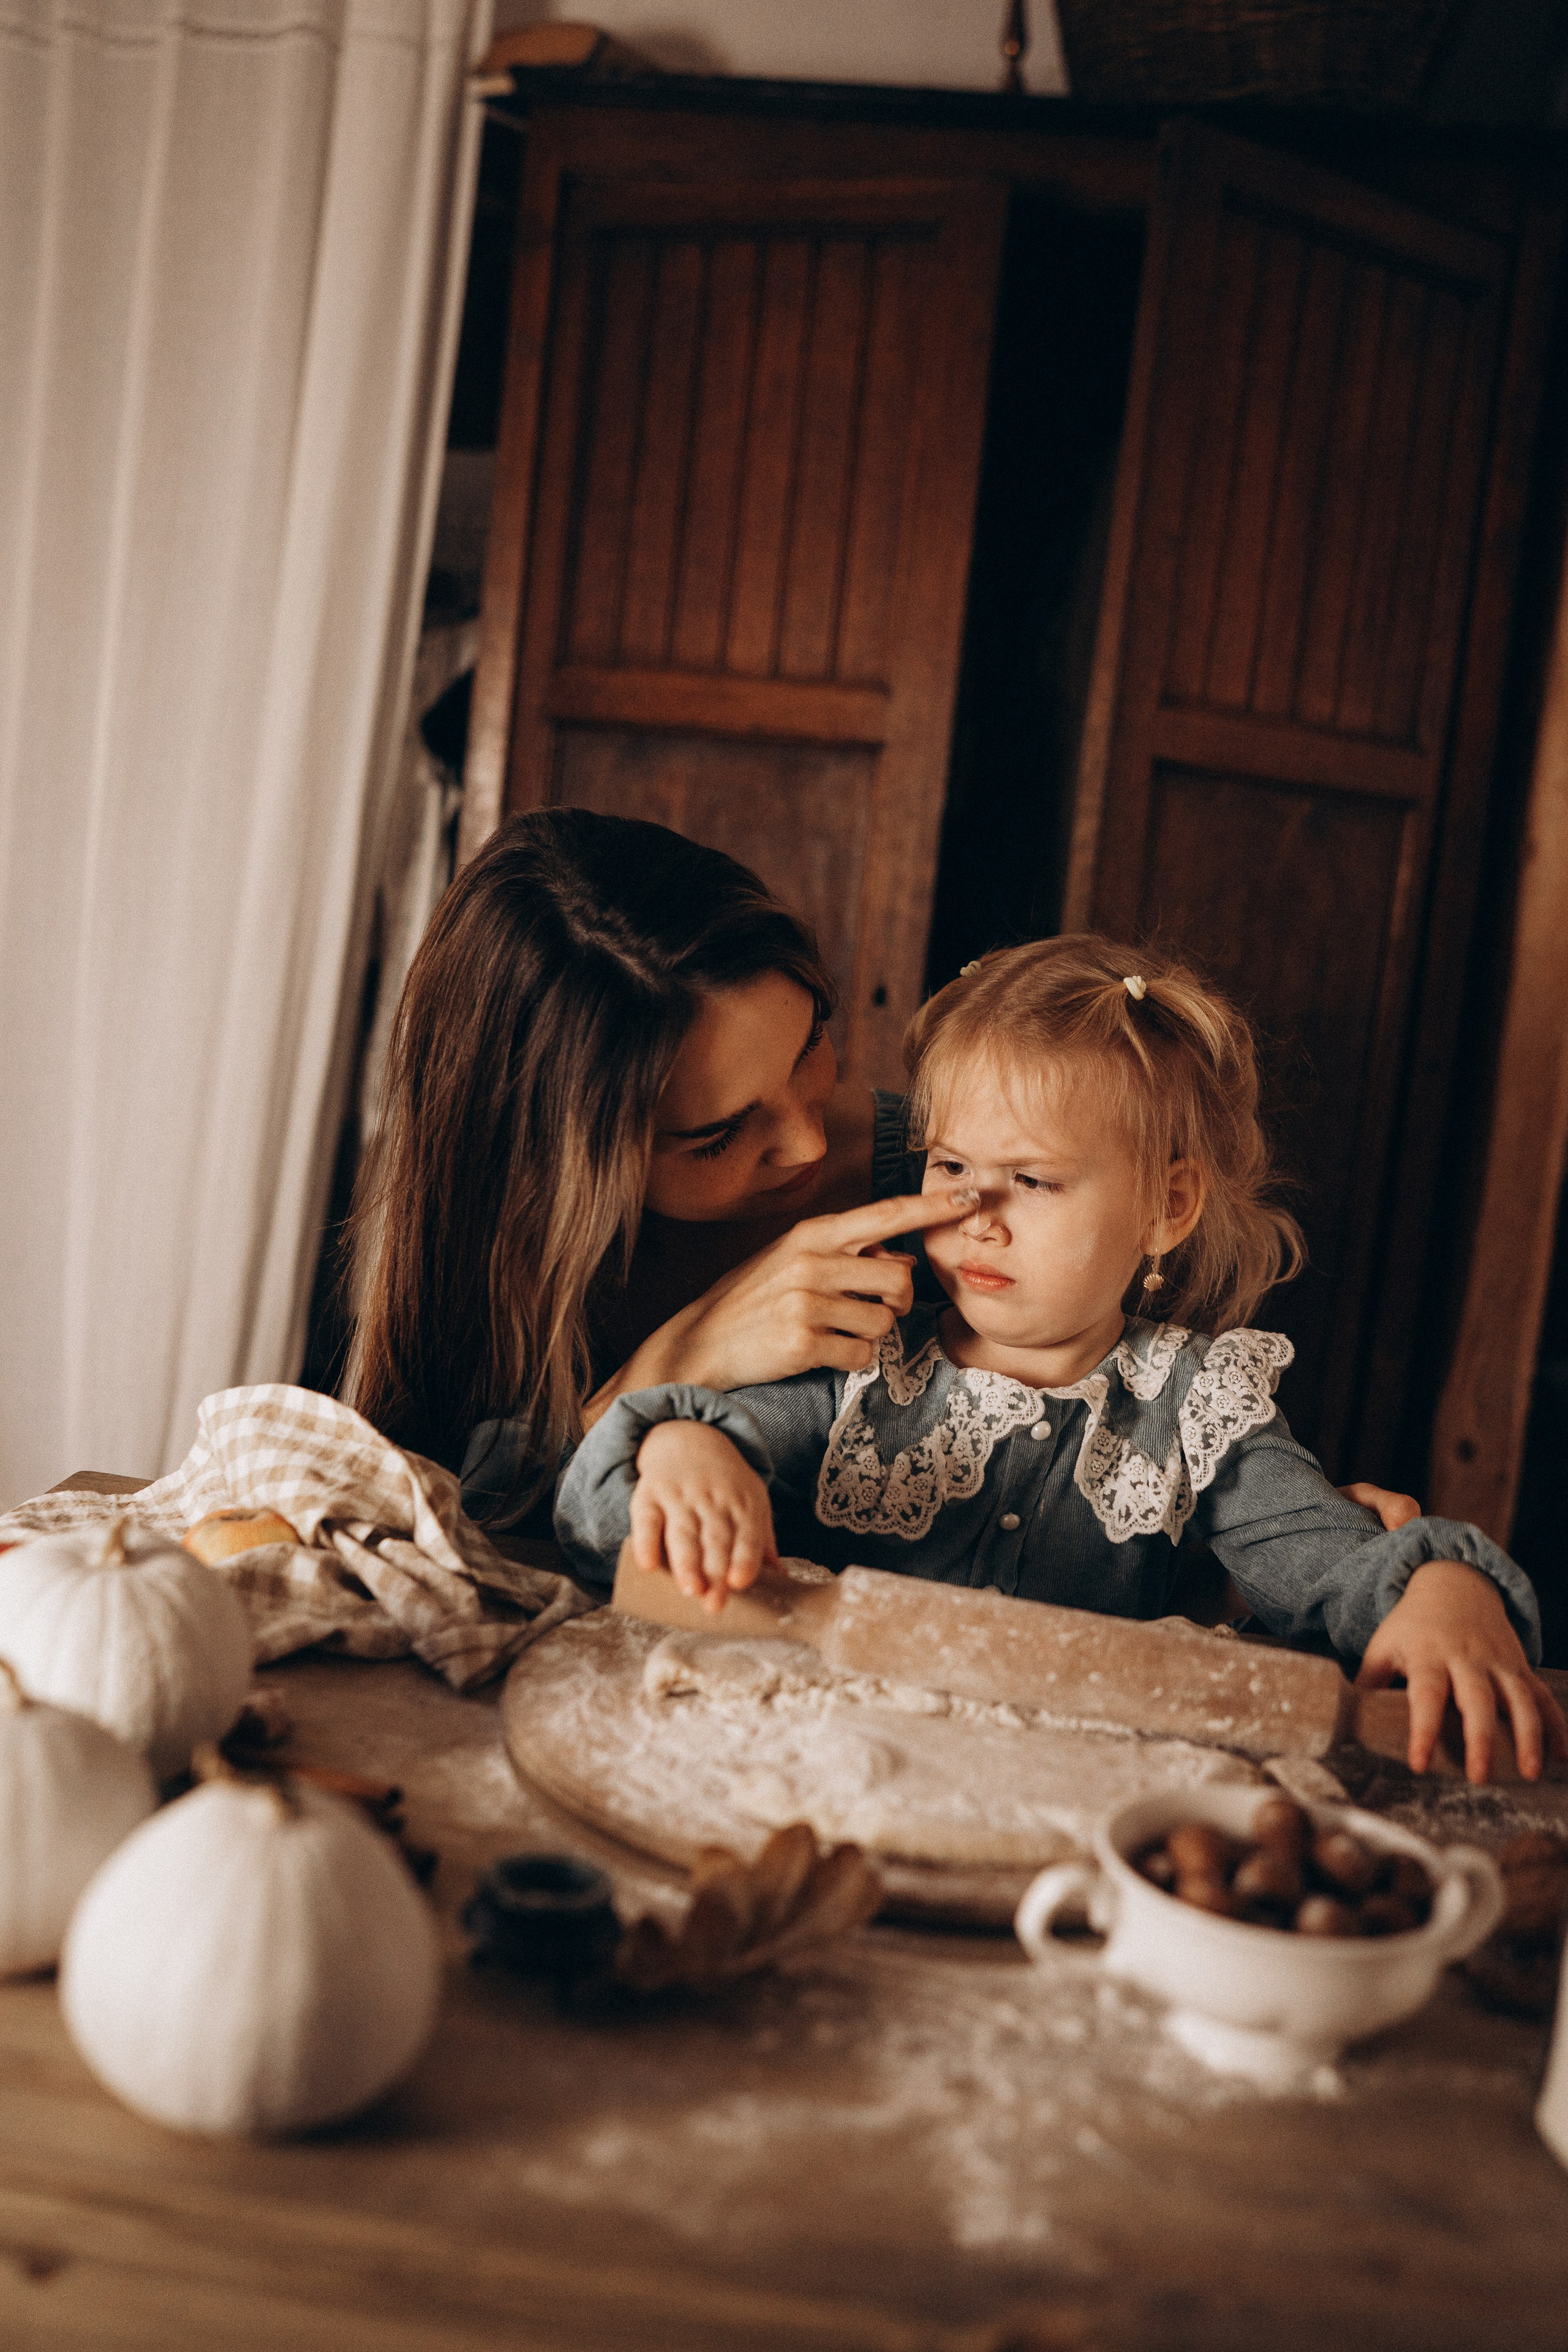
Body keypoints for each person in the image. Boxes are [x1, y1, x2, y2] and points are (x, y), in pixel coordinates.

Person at [554, 935, 1568, 1785]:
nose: (976, 1218)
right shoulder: (862, 1357)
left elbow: (1337, 1575)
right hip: (817, 1771)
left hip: (1071, 1816)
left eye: (1033, 1181)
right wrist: (687, 1449)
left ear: (1167, 1208)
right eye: (952, 1168)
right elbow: (609, 1533)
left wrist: (1442, 1591)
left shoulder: (1199, 1408)